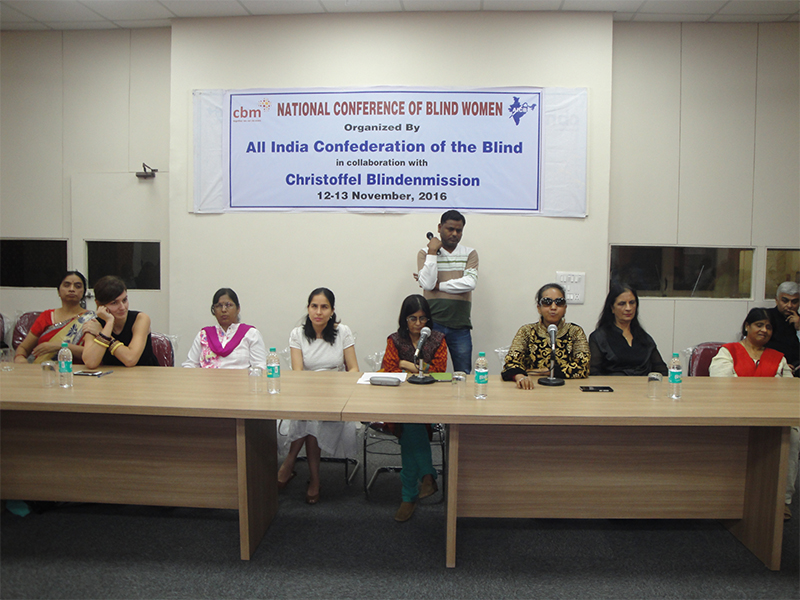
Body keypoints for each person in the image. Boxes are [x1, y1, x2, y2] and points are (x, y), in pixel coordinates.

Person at [709, 307, 798, 520]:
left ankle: (782, 500)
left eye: (768, 327)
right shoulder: (728, 351)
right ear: (747, 326)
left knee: (793, 435)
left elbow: (789, 391)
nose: (764, 330)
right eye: (759, 325)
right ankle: (724, 497)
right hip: (734, 413)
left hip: (771, 415)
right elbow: (721, 385)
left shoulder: (779, 358)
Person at [277, 288, 359, 505]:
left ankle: (289, 463)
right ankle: (314, 479)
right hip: (307, 392)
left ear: (332, 311)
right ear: (308, 308)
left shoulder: (343, 332)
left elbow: (353, 369)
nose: (319, 312)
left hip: (336, 395)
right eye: (314, 306)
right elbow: (298, 372)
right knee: (309, 416)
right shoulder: (298, 334)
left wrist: (337, 389)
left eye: (324, 307)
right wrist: (313, 392)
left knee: (310, 418)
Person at [380, 294, 447, 522]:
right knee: (410, 424)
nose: (418, 324)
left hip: (429, 402)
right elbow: (388, 370)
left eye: (422, 318)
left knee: (411, 428)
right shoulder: (395, 339)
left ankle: (408, 497)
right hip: (398, 402)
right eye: (412, 318)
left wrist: (406, 364)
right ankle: (427, 477)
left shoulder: (437, 339)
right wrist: (417, 369)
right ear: (404, 319)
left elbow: (439, 372)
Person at [416, 209, 478, 373]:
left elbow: (470, 283)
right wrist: (432, 252)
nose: (454, 234)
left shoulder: (469, 253)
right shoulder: (425, 253)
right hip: (432, 323)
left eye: (459, 230)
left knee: (463, 372)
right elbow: (428, 284)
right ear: (439, 228)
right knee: (429, 371)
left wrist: (439, 286)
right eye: (450, 229)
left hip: (461, 324)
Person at [502, 283, 590, 388]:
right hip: (532, 388)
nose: (553, 307)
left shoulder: (575, 332)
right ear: (539, 308)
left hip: (567, 389)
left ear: (565, 308)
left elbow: (583, 368)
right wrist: (520, 376)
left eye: (559, 302)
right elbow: (510, 364)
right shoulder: (526, 331)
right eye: (547, 302)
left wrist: (545, 372)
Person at [14, 270, 94, 364]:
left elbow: (93, 355)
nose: (72, 289)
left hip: (78, 372)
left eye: (78, 286)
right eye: (66, 285)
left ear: (83, 292)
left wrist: (61, 346)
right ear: (59, 291)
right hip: (44, 371)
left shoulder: (91, 319)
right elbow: (23, 348)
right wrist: (20, 358)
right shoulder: (46, 316)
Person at [588, 283, 668, 376]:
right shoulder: (599, 337)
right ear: (612, 308)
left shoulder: (644, 337)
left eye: (632, 303)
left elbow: (661, 370)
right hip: (614, 387)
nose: (628, 308)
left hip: (643, 387)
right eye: (622, 304)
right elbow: (594, 373)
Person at [81, 275, 159, 368]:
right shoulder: (94, 324)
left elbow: (130, 359)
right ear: (99, 304)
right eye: (114, 303)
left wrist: (102, 334)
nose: (122, 307)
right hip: (112, 376)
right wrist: (109, 323)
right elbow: (90, 363)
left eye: (124, 300)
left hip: (146, 375)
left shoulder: (141, 319)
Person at [182, 288, 266, 369]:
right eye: (218, 306)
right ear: (214, 310)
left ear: (238, 309)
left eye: (228, 305)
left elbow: (260, 366)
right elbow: (190, 364)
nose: (223, 310)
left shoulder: (251, 334)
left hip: (240, 382)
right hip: (207, 382)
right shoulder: (204, 335)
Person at [765, 281, 799, 376]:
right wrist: (782, 365)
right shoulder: (766, 318)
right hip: (772, 366)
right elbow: (757, 346)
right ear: (776, 300)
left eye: (794, 301)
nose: (789, 305)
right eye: (785, 301)